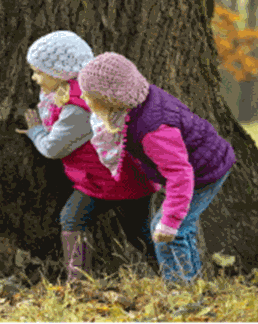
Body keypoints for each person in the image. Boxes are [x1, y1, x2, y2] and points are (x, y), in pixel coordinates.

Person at [77, 52, 236, 283]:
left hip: (204, 172)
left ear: (111, 99)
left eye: (90, 95)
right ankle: (190, 283)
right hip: (192, 166)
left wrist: (170, 221)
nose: (82, 96)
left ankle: (181, 289)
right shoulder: (139, 101)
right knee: (175, 228)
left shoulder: (153, 130)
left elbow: (181, 175)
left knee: (171, 232)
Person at [16, 31, 158, 282]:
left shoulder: (78, 108)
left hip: (107, 179)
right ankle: (175, 273)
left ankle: (79, 282)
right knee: (139, 232)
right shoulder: (83, 92)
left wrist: (36, 131)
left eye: (39, 72)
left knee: (73, 219)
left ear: (59, 73)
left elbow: (53, 148)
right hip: (129, 174)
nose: (34, 78)